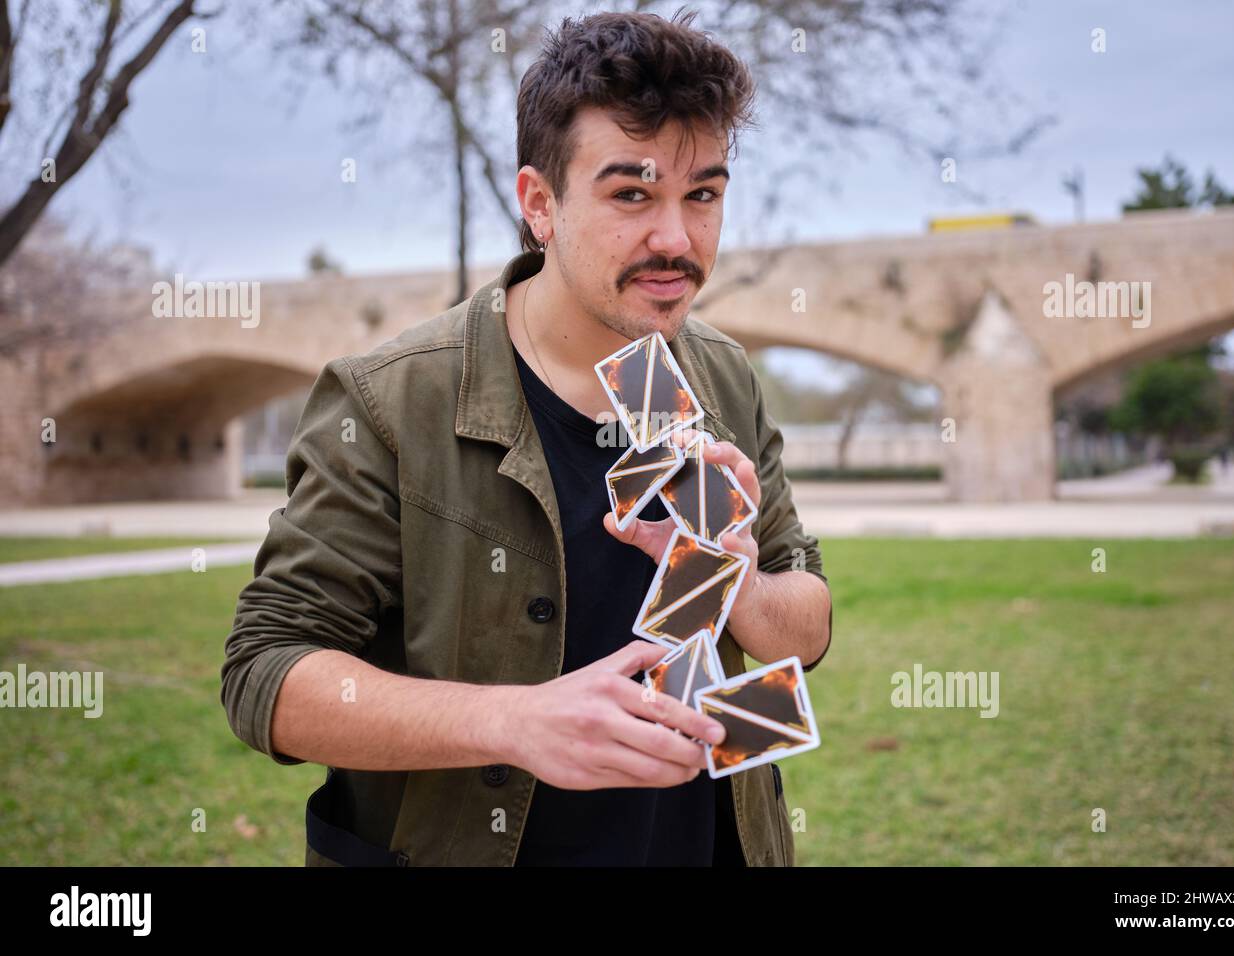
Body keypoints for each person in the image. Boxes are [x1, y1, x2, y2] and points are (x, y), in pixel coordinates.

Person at [221, 9, 831, 867]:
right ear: (539, 204)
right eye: (631, 194)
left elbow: (805, 624)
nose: (677, 239)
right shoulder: (394, 399)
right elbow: (264, 673)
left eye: (703, 195)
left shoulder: (718, 376)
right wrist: (517, 722)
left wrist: (734, 585)